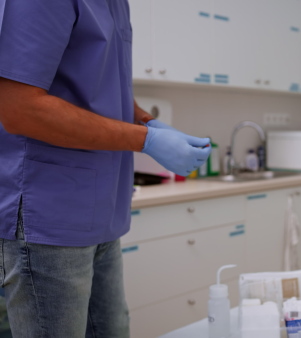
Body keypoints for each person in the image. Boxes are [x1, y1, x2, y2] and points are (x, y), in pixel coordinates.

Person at [0, 1, 210, 336]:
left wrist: (148, 121)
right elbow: (20, 108)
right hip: (50, 216)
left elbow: (103, 87)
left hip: (103, 212)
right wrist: (145, 139)